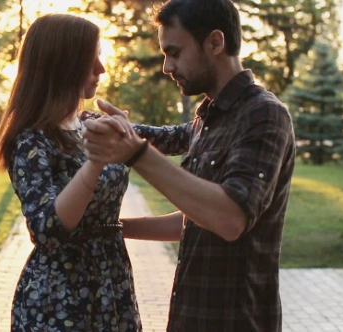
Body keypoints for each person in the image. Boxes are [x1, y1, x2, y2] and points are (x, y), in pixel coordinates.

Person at [82, 0, 296, 331]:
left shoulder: (264, 114)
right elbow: (195, 218)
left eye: (175, 52)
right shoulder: (208, 116)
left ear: (214, 43)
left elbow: (229, 218)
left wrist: (134, 152)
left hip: (236, 322)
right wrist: (111, 230)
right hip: (191, 318)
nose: (167, 66)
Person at [0, 14, 141, 332]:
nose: (102, 68)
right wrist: (95, 161)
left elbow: (175, 137)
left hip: (112, 285)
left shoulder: (91, 123)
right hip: (59, 300)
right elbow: (48, 229)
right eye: (92, 58)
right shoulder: (31, 139)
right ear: (63, 64)